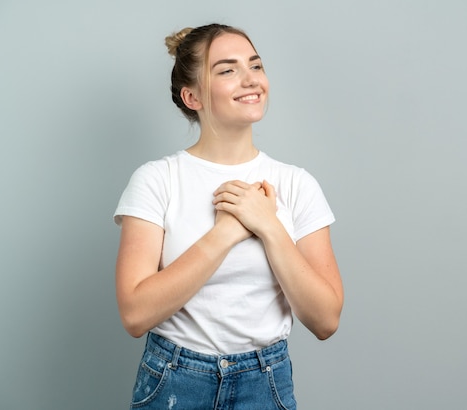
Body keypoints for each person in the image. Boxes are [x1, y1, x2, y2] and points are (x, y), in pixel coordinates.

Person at [113, 23, 343, 409]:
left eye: (255, 65)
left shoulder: (297, 184)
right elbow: (135, 315)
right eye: (227, 70)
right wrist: (225, 233)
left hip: (264, 383)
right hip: (174, 381)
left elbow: (325, 320)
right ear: (192, 96)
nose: (250, 80)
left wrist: (268, 226)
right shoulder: (157, 180)